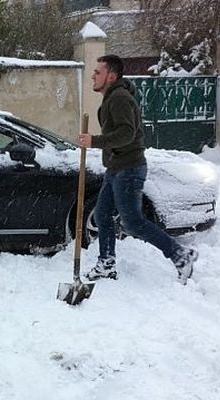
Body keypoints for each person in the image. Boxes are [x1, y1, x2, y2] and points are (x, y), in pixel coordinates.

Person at [78, 54, 198, 285]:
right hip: (116, 168)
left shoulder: (119, 98)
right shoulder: (113, 97)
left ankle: (180, 255)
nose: (93, 75)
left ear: (111, 76)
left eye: (98, 72)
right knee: (102, 214)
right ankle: (107, 262)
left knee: (133, 222)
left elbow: (127, 134)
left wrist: (94, 141)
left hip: (128, 169)